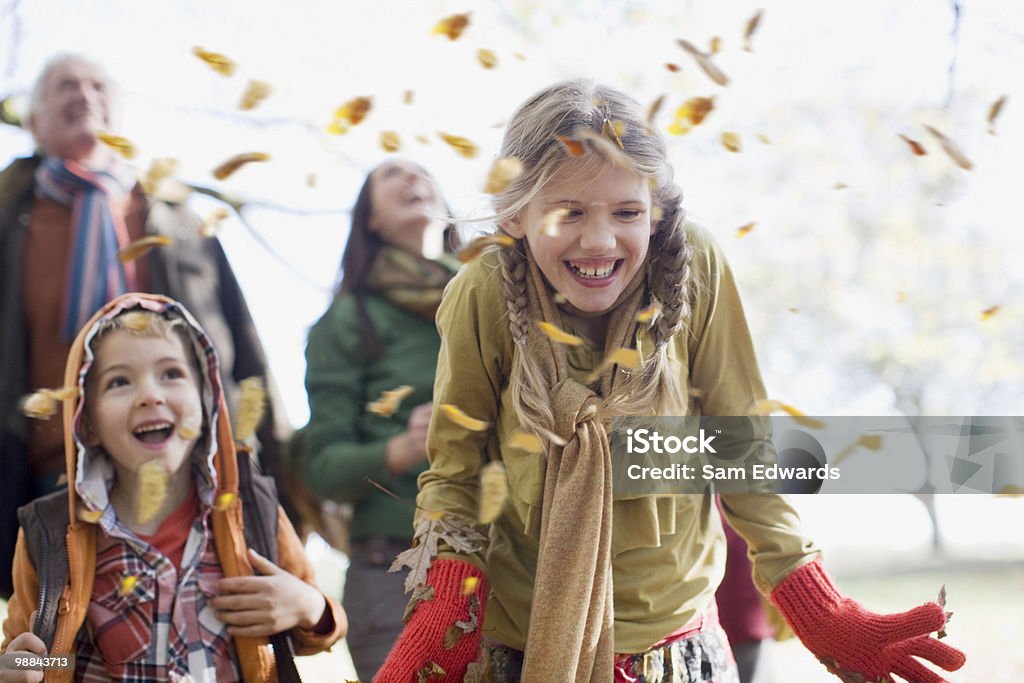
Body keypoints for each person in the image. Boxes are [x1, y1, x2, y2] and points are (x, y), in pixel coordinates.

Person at [376, 80, 967, 682]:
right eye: (568, 212)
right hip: (521, 648)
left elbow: (741, 447)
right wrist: (447, 610)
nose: (600, 241)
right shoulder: (481, 293)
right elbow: (456, 476)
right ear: (514, 214)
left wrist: (818, 606)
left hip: (678, 649)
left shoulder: (695, 267)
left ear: (656, 211)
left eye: (627, 212)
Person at [0, 53, 292, 600]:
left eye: (96, 85)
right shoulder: (8, 217)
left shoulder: (178, 217)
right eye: (65, 86)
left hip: (189, 474)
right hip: (49, 479)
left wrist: (278, 464)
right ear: (34, 121)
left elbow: (244, 346)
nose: (84, 95)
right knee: (61, 655)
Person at [0, 293, 346, 682]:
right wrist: (22, 668)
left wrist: (309, 607)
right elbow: (45, 660)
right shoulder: (50, 532)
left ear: (206, 401)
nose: (151, 395)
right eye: (119, 382)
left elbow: (313, 633)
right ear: (87, 422)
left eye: (171, 374)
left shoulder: (251, 508)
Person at [300, 160, 459, 681]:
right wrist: (404, 448)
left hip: (509, 564)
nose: (414, 179)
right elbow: (321, 469)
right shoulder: (348, 321)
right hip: (396, 573)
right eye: (393, 175)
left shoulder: (501, 302)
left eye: (423, 172)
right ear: (369, 218)